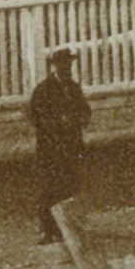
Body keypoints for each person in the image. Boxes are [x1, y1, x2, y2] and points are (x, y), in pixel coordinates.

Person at [26, 46, 91, 243]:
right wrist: (57, 123)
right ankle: (47, 230)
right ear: (54, 66)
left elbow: (85, 111)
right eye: (62, 64)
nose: (66, 67)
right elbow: (34, 115)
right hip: (51, 148)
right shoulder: (44, 89)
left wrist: (79, 119)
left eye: (68, 64)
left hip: (71, 146)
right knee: (50, 188)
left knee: (70, 186)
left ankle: (67, 230)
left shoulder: (73, 88)